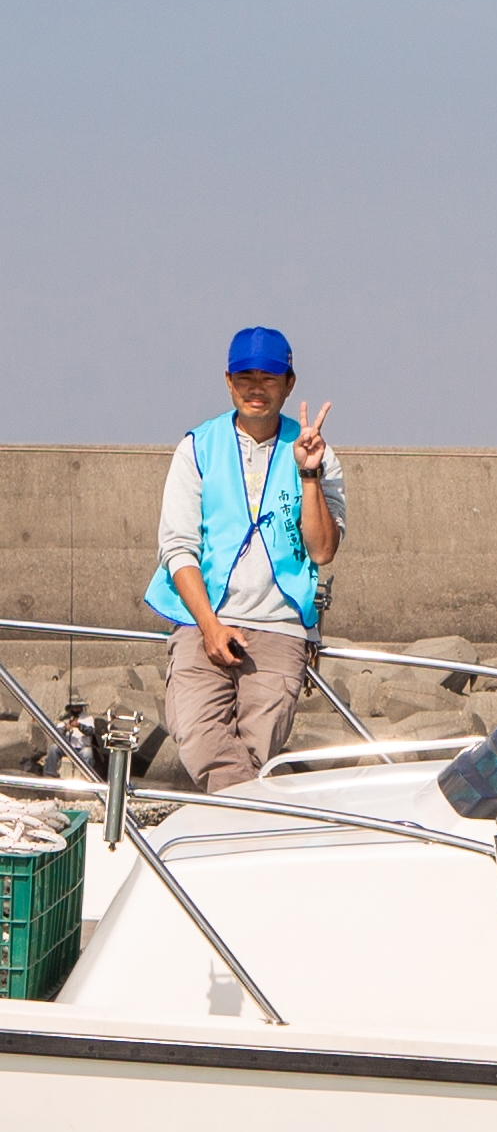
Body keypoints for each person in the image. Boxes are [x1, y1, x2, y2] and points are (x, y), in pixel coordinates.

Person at [146, 326, 350, 794]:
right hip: (202, 620)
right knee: (196, 734)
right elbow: (178, 548)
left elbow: (323, 550)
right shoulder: (196, 448)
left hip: (280, 626)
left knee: (258, 754)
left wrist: (309, 474)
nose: (256, 388)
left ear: (289, 384)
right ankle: (257, 817)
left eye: (269, 377)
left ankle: (237, 821)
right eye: (245, 377)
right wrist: (210, 627)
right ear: (228, 381)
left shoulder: (318, 452)